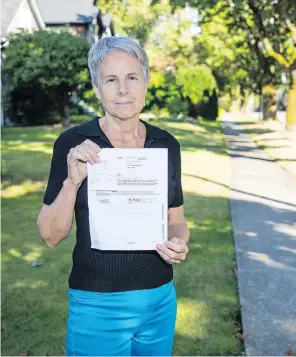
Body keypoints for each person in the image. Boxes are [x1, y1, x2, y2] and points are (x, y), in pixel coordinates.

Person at [37, 36, 190, 356]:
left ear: (146, 82)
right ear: (96, 88)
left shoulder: (166, 145)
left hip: (160, 299)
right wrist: (71, 182)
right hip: (97, 303)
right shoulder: (73, 143)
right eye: (111, 79)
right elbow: (50, 236)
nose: (123, 89)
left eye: (132, 77)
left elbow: (176, 220)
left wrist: (178, 241)